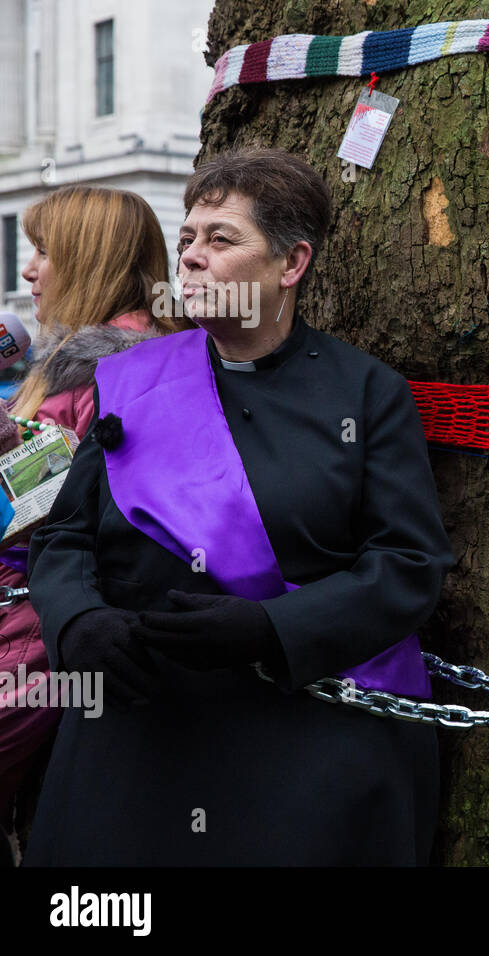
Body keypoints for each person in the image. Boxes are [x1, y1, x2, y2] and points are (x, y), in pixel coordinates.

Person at [22, 148, 455, 865]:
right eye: (187, 237)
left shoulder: (365, 393)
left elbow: (409, 564)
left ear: (291, 265)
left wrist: (269, 629)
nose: (191, 257)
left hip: (295, 741)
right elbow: (63, 538)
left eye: (221, 239)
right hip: (136, 738)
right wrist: (79, 625)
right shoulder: (131, 380)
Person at [0, 186, 180, 864]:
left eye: (43, 252)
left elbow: (90, 513)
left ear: (88, 259)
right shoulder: (67, 363)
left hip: (41, 635)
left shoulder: (135, 369)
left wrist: (12, 453)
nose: (28, 271)